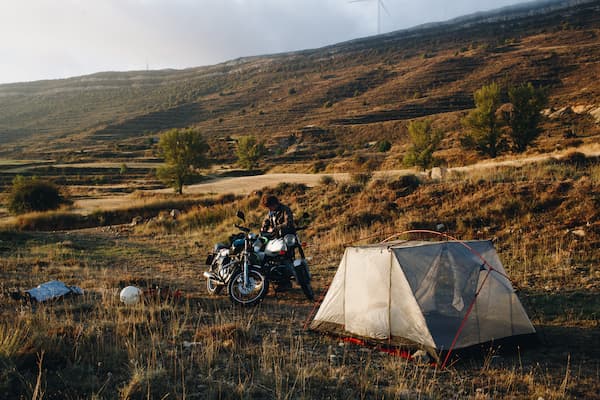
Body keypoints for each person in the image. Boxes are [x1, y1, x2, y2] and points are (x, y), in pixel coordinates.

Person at [260, 194, 295, 291]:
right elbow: (265, 224)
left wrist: (277, 228)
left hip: (286, 238)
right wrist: (263, 230)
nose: (269, 209)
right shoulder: (270, 213)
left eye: (270, 206)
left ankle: (287, 282)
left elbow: (288, 223)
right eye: (268, 207)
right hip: (274, 240)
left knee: (285, 259)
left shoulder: (285, 209)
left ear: (275, 203)